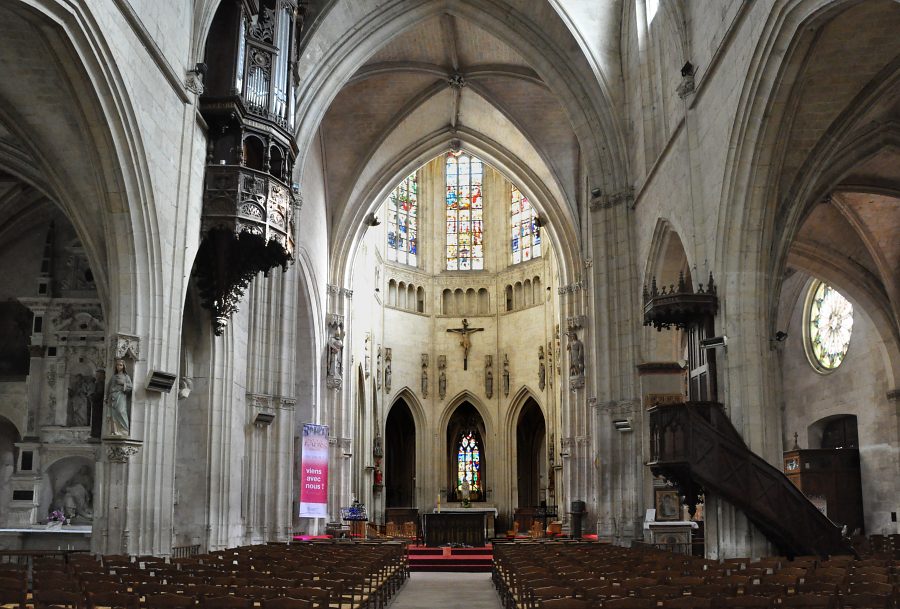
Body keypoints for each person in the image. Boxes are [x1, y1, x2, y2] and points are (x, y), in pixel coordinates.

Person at [106, 359, 132, 436]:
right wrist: (106, 397)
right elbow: (108, 387)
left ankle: (124, 430)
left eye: (120, 365)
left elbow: (130, 387)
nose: (119, 366)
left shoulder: (126, 376)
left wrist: (123, 383)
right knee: (113, 414)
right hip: (112, 397)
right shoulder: (113, 377)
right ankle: (114, 431)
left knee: (121, 411)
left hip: (121, 395)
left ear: (123, 366)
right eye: (117, 365)